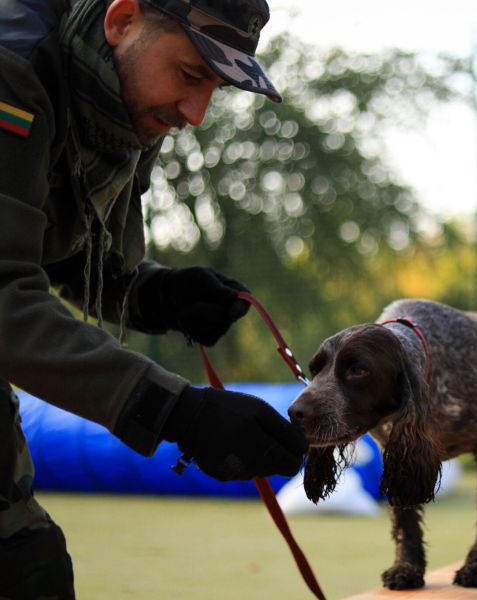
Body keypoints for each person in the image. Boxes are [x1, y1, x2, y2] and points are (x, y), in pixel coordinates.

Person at [0, 0, 310, 596]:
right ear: (122, 19)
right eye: (192, 75)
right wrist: (175, 411)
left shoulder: (119, 90)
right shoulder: (11, 67)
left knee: (24, 560)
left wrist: (151, 294)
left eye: (214, 88)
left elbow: (60, 249)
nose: (196, 113)